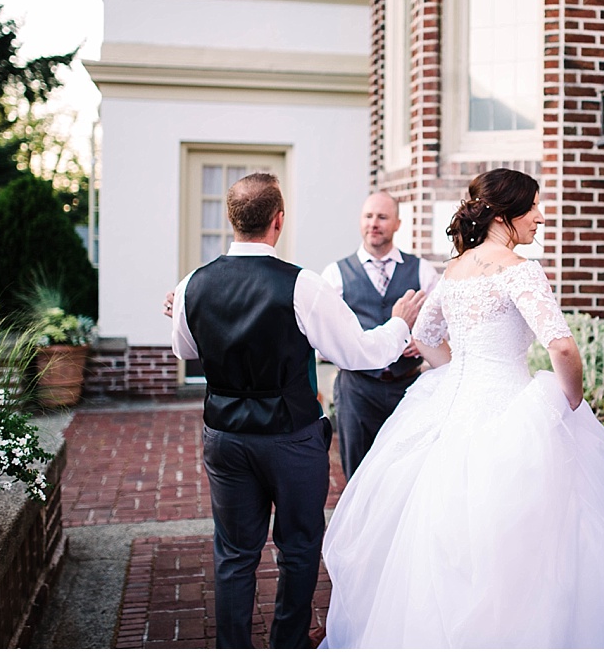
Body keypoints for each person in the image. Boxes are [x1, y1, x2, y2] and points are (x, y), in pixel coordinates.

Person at [320, 168, 604, 649]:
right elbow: (562, 348)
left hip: (450, 409)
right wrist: (569, 399)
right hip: (510, 406)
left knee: (442, 536)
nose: (541, 218)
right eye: (534, 208)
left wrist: (451, 373)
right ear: (505, 214)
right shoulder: (519, 269)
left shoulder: (454, 269)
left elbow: (424, 338)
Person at [168, 172, 425, 649]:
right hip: (291, 437)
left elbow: (186, 351)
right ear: (278, 221)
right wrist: (397, 325)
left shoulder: (191, 285)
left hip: (224, 436)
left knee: (234, 553)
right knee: (300, 545)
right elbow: (357, 354)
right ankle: (287, 643)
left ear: (231, 220)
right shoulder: (302, 285)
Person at [320, 192, 440, 479]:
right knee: (358, 471)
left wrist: (423, 343)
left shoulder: (422, 271)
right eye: (368, 216)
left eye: (382, 217)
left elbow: (442, 323)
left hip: (409, 387)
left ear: (398, 223)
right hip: (357, 389)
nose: (374, 223)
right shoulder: (335, 274)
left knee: (407, 470)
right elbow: (323, 338)